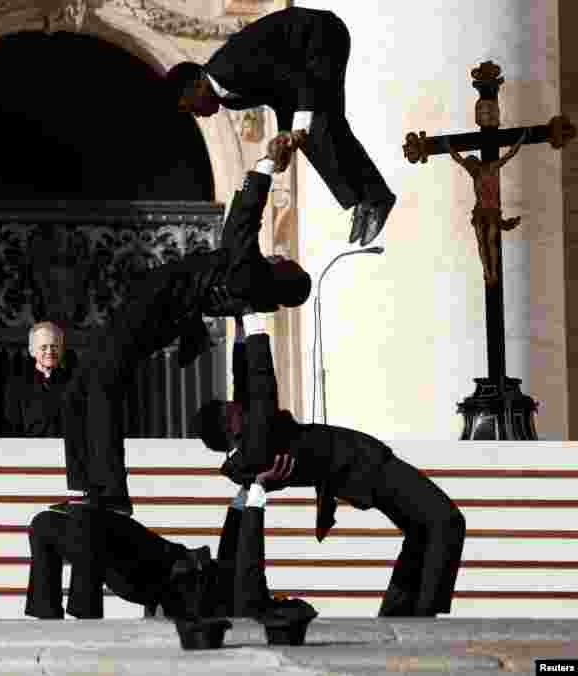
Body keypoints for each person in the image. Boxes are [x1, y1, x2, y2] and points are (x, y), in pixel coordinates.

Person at [62, 155, 311, 515]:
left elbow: (242, 223)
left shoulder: (250, 276)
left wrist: (265, 166)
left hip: (154, 306)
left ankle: (110, 493)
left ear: (282, 271)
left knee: (100, 383)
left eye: (283, 260)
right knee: (79, 388)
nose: (276, 255)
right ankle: (87, 486)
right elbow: (234, 235)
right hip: (155, 310)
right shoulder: (246, 280)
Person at [191, 312, 466, 617]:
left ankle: (399, 614)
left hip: (359, 467)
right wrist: (255, 324)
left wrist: (241, 329)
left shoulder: (249, 446)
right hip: (365, 466)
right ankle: (427, 617)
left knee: (421, 530)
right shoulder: (256, 444)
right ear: (230, 423)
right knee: (446, 521)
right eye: (230, 407)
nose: (236, 402)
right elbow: (261, 382)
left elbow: (243, 380)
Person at [165, 7, 396, 247]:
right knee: (320, 128)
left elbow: (298, 78)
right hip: (303, 63)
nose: (198, 115)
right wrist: (286, 137)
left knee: (319, 126)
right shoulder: (227, 96)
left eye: (191, 107)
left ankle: (375, 198)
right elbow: (279, 95)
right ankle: (365, 199)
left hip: (322, 39)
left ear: (197, 85)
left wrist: (298, 129)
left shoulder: (229, 68)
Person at [24, 454, 302, 621]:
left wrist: (259, 490)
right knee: (42, 524)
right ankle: (47, 612)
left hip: (153, 575)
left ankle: (86, 614)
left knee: (86, 524)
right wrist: (246, 489)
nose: (285, 597)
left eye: (287, 602)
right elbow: (233, 543)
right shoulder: (242, 585)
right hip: (159, 555)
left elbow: (251, 547)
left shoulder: (252, 602)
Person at [444, 129, 529, 285]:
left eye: (471, 164)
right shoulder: (474, 172)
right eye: (469, 167)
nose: (469, 168)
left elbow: (510, 154)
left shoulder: (491, 168)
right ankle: (487, 271)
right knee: (482, 242)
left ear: (476, 162)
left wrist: (522, 139)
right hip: (480, 211)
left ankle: (494, 272)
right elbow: (459, 159)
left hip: (492, 212)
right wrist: (448, 147)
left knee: (490, 240)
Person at [3, 321, 72, 437]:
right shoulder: (17, 386)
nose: (49, 352)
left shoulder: (73, 382)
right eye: (44, 347)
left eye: (54, 346)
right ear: (32, 351)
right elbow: (12, 428)